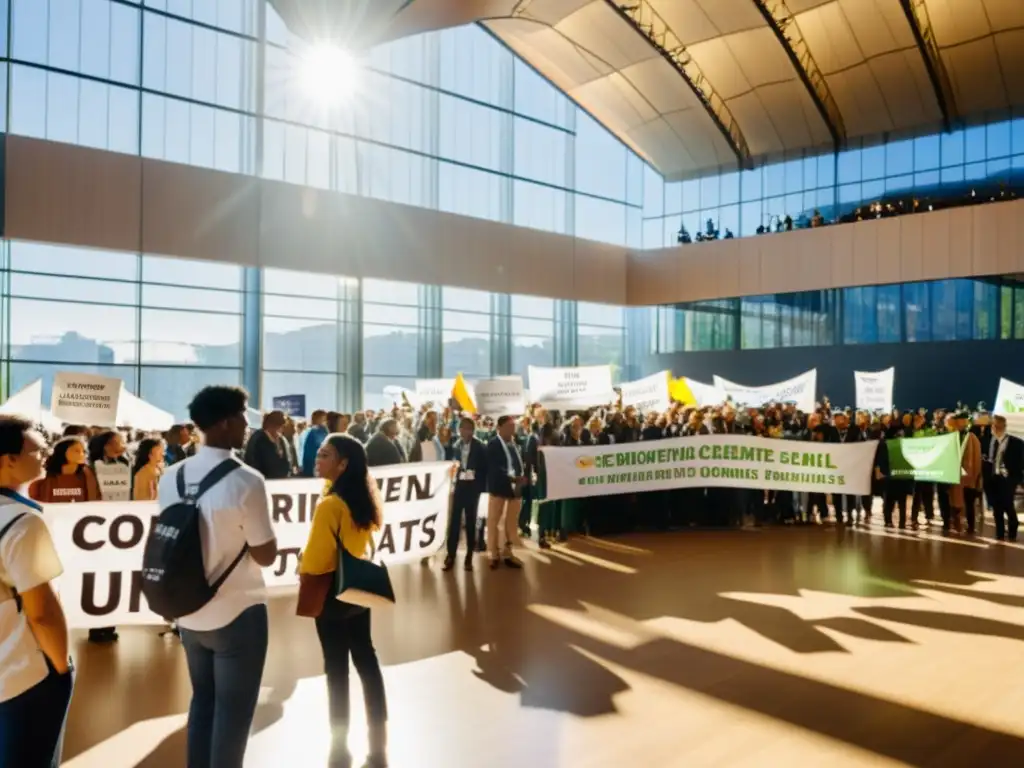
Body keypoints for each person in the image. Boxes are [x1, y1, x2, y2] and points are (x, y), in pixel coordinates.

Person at [158, 386, 279, 768]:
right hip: (237, 611)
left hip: (188, 610)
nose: (246, 425)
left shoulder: (171, 476)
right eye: (243, 416)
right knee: (234, 712)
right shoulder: (247, 480)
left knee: (203, 704)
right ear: (226, 422)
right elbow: (266, 554)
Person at [298, 433, 388, 768]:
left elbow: (318, 561)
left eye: (325, 454)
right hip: (359, 588)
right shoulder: (360, 498)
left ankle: (339, 740)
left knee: (335, 666)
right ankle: (378, 730)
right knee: (365, 655)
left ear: (343, 463)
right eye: (319, 453)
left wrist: (300, 562)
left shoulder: (330, 504)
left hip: (330, 594)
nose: (317, 458)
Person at [0, 415, 74, 768]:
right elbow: (41, 611)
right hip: (23, 673)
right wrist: (61, 666)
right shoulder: (22, 522)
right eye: (36, 449)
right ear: (8, 459)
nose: (45, 454)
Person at [443, 417, 487, 572]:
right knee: (454, 522)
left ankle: (469, 556)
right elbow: (448, 465)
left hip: (472, 490)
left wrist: (476, 480)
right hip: (458, 489)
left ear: (473, 430)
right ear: (459, 430)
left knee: (470, 523)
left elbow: (485, 470)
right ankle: (451, 555)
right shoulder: (454, 446)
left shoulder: (481, 447)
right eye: (463, 429)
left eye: (469, 429)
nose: (466, 432)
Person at [485, 415, 525, 570]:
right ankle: (493, 554)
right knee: (494, 522)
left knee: (510, 523)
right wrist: (512, 478)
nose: (512, 429)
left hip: (514, 490)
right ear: (499, 428)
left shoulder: (514, 444)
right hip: (499, 489)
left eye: (513, 426)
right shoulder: (493, 444)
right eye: (509, 426)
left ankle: (507, 553)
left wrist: (520, 478)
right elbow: (495, 468)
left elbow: (517, 463)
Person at [28, 436, 100, 504]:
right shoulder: (40, 483)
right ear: (62, 451)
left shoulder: (90, 478)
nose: (82, 454)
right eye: (76, 451)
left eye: (83, 451)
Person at [985, 415, 1022, 541]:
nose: (993, 427)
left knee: (1008, 505)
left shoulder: (1016, 443)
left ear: (1001, 427)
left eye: (995, 425)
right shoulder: (992, 441)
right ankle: (999, 533)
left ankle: (1012, 530)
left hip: (1009, 479)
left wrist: (1016, 477)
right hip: (995, 478)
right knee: (996, 506)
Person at [243, 410, 292, 480]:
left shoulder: (282, 440)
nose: (281, 430)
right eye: (280, 426)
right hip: (262, 480)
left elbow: (287, 461)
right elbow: (252, 461)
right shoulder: (258, 439)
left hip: (279, 481)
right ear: (271, 425)